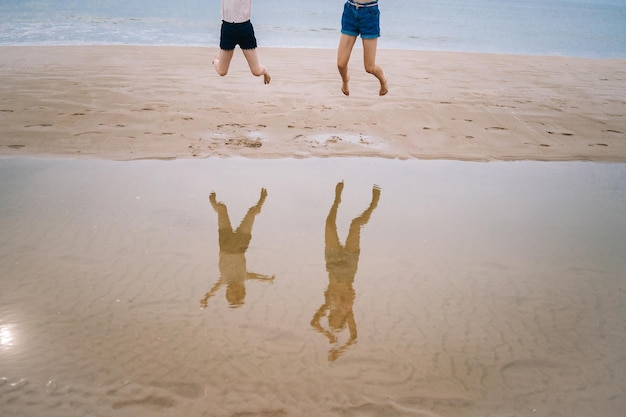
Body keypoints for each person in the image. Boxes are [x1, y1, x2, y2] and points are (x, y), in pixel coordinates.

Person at [213, 0, 271, 84]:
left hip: (245, 30)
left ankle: (265, 70)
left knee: (256, 72)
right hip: (227, 30)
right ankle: (216, 60)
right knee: (222, 72)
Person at [337, 0, 388, 96]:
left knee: (369, 68)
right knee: (341, 64)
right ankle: (345, 81)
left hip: (370, 14)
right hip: (350, 11)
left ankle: (383, 81)